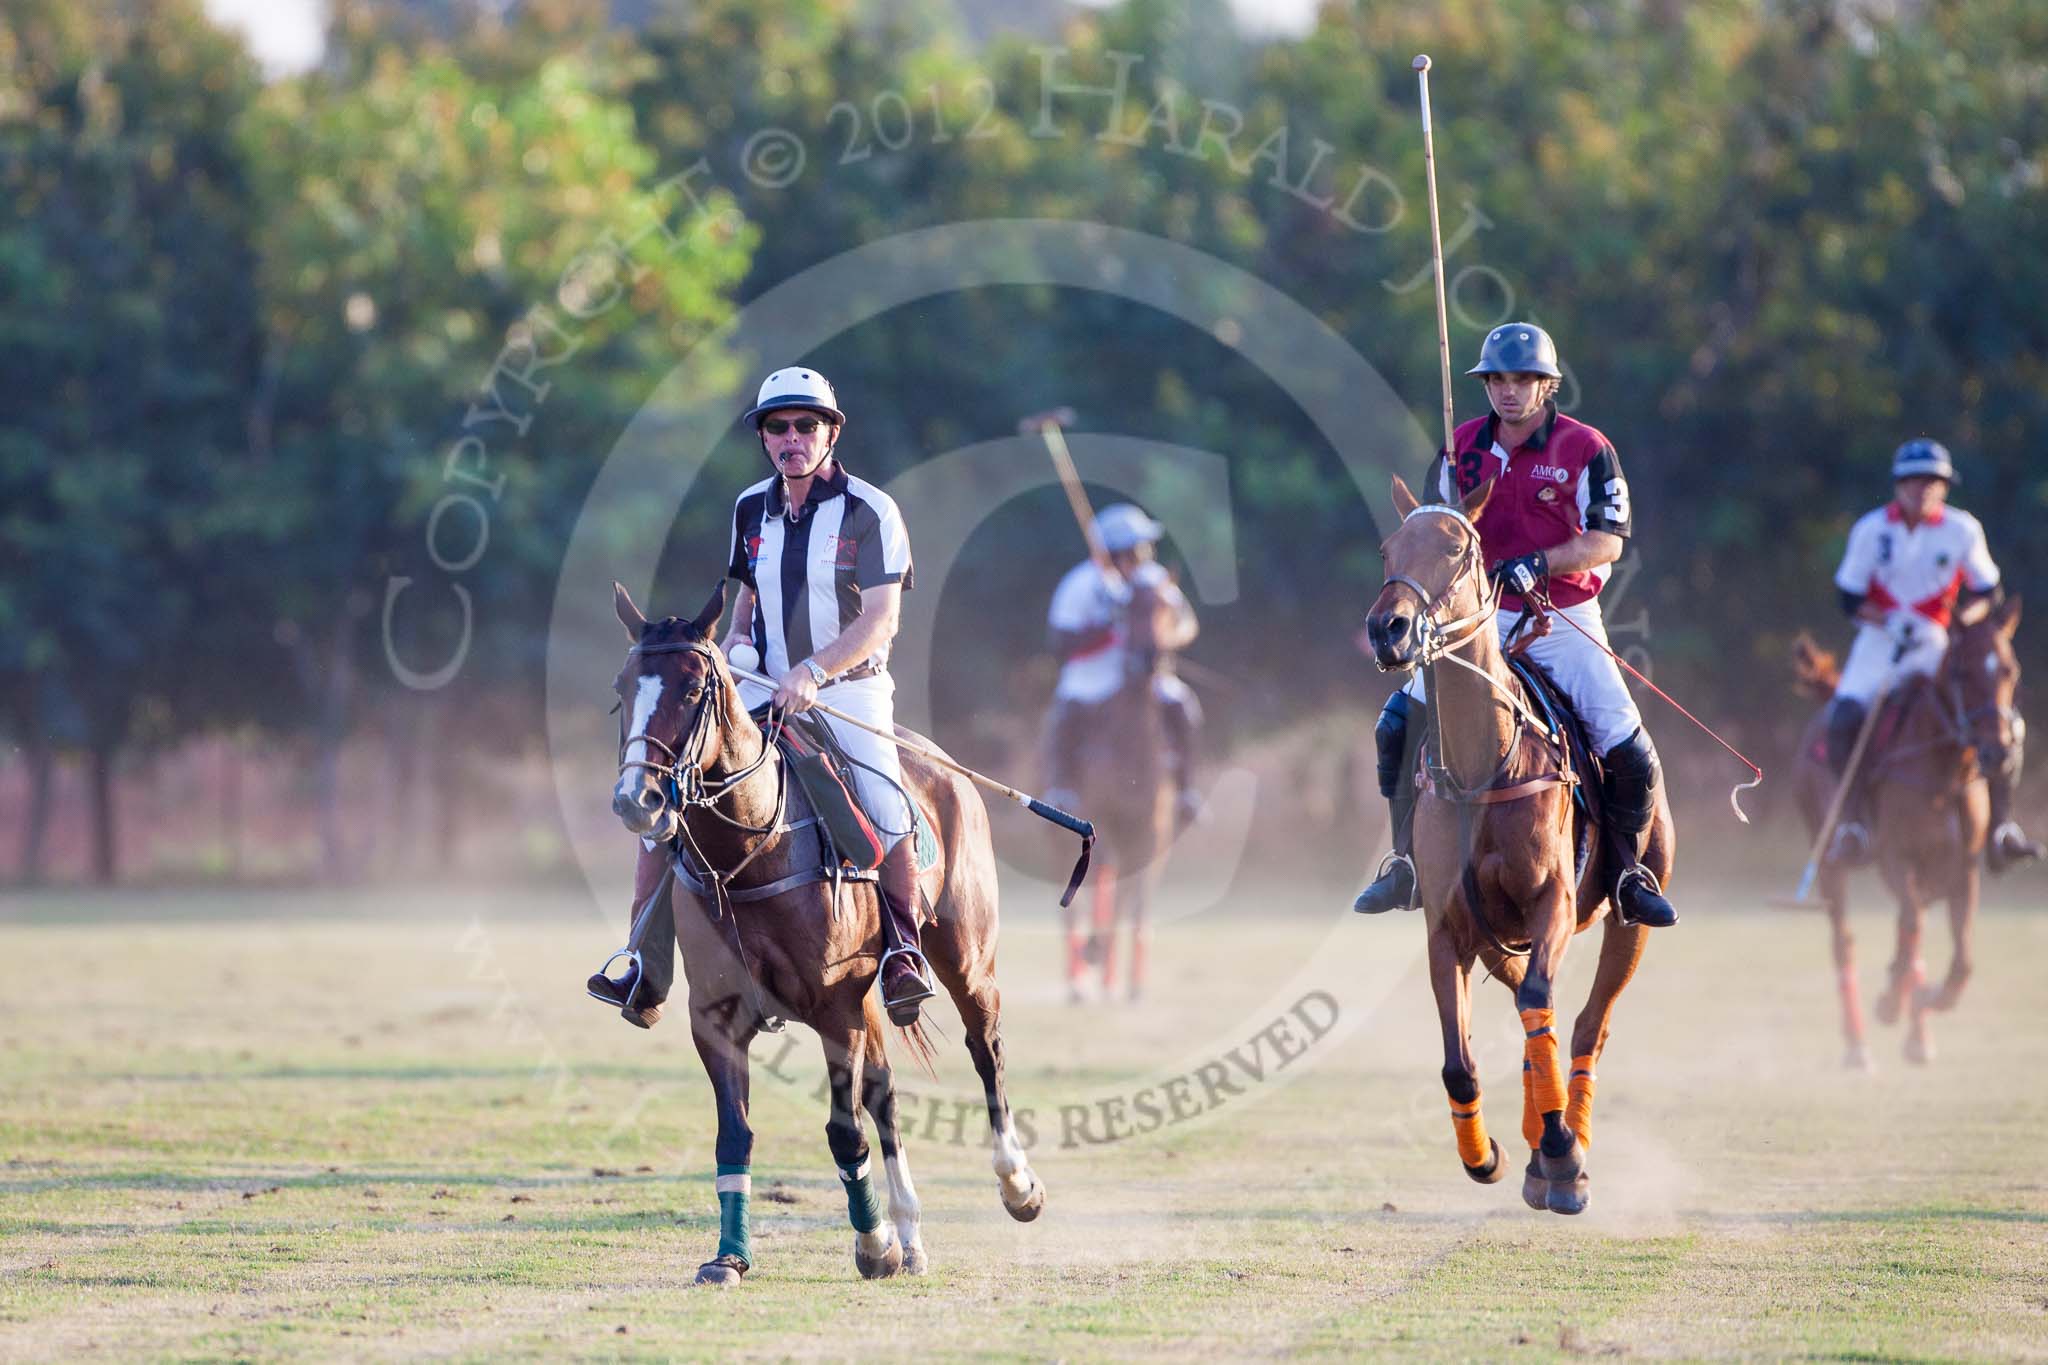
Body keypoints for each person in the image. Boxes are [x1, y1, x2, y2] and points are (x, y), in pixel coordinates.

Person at [1352, 322, 1679, 928]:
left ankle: (1629, 873)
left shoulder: (1586, 448)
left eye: (1523, 379)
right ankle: (1405, 864)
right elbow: (1429, 534)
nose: (1508, 391)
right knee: (1396, 725)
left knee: (1625, 739)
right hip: (1477, 619)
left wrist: (1542, 561)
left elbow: (1608, 541)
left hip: (1560, 615)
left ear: (1547, 385)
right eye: (1497, 379)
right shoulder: (1461, 447)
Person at [1825, 439, 2041, 872]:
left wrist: (1960, 622)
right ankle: (1854, 824)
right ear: (1899, 485)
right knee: (1844, 718)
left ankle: (2002, 827)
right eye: (1915, 480)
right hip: (1879, 642)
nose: (1923, 488)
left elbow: (1987, 592)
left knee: (1998, 720)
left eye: (1933, 481)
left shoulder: (1962, 530)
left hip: (1940, 643)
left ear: (1944, 487)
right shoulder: (1872, 530)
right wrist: (1889, 622)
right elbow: (1850, 599)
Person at [1041, 504, 1202, 823]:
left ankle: (1186, 790)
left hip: (1142, 676)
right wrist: (1107, 626)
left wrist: (1164, 636)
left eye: (1144, 547)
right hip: (1091, 677)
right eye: (1135, 548)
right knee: (1063, 717)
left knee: (1184, 706)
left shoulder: (1155, 582)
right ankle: (1062, 788)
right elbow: (1059, 640)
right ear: (1115, 552)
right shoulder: (1082, 584)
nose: (1143, 554)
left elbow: (1186, 624)